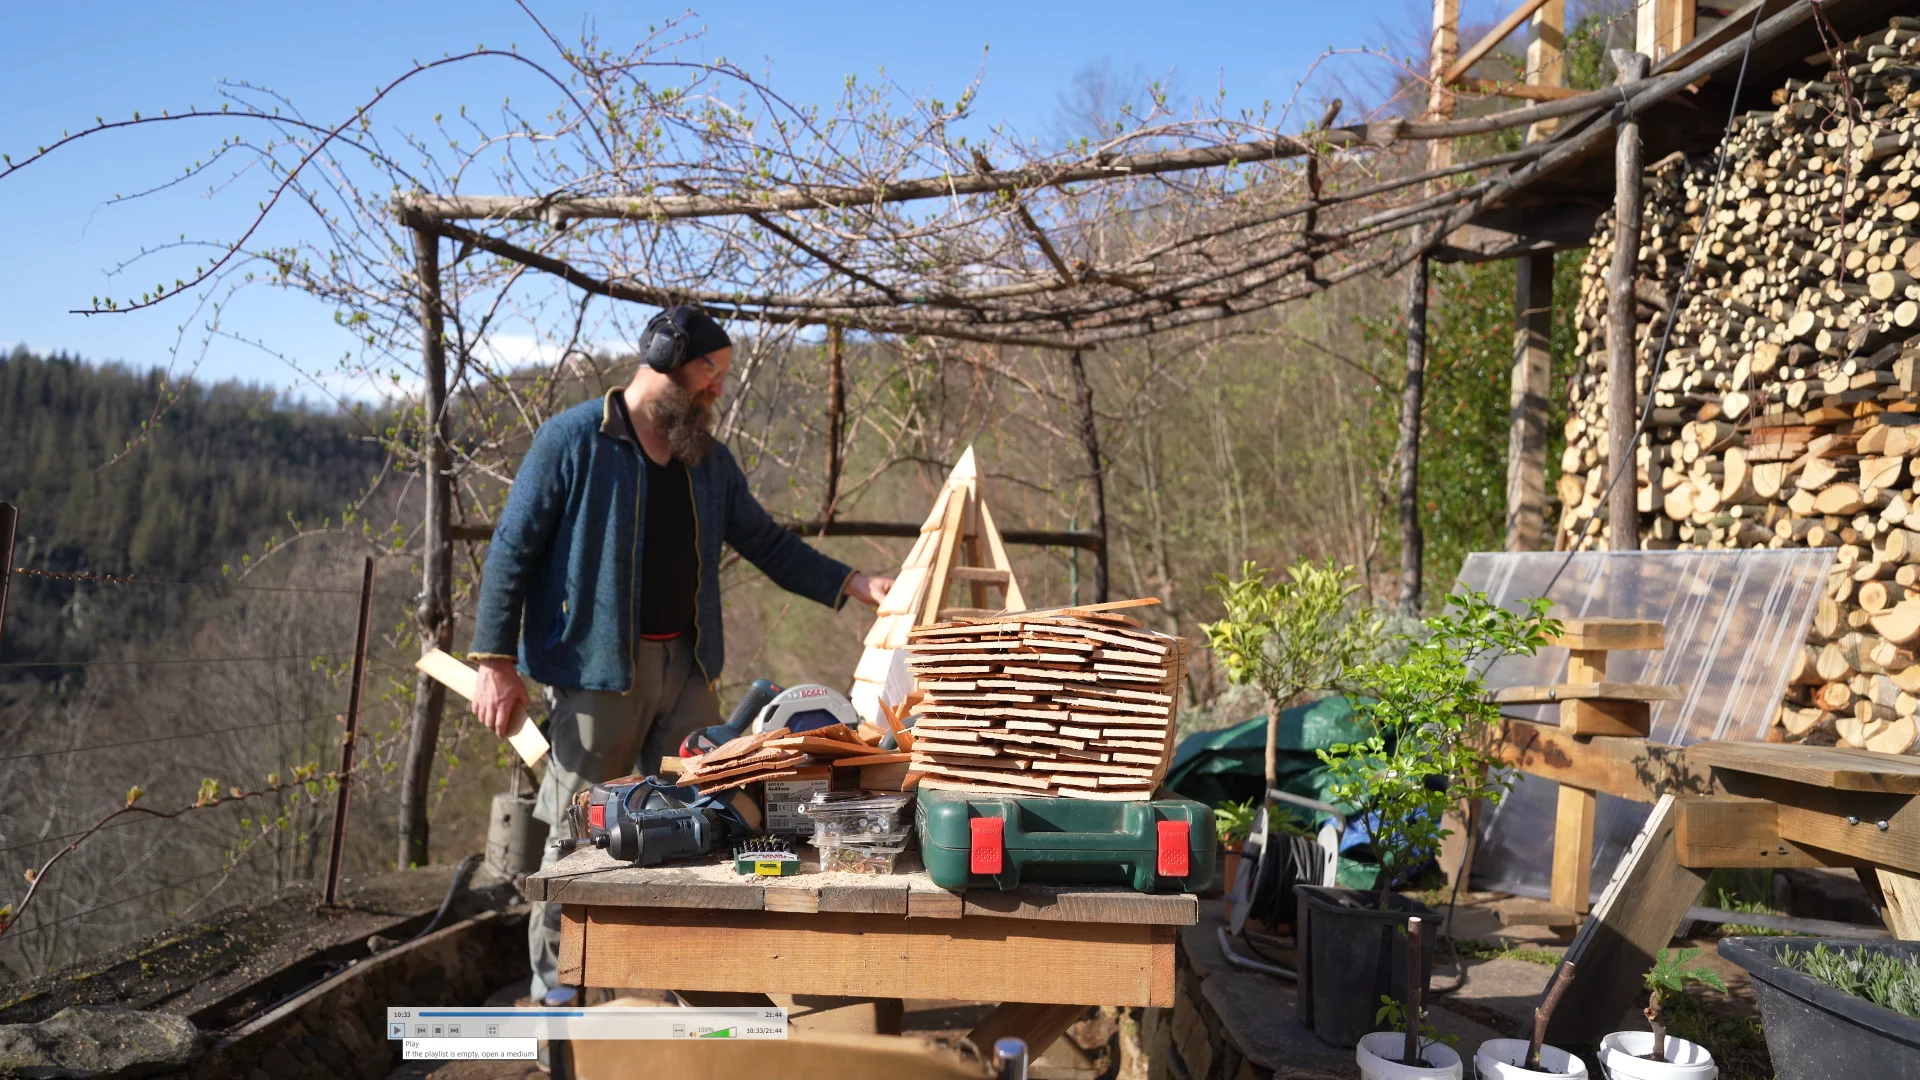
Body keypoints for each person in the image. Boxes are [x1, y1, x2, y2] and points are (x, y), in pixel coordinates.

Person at [465, 305, 893, 1000]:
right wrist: (494, 662)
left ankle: (690, 993)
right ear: (667, 362)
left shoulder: (706, 461)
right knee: (577, 839)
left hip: (689, 671)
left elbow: (766, 542)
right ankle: (560, 999)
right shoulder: (573, 440)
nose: (717, 390)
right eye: (709, 374)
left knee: (706, 823)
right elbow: (512, 546)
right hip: (597, 675)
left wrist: (855, 581)